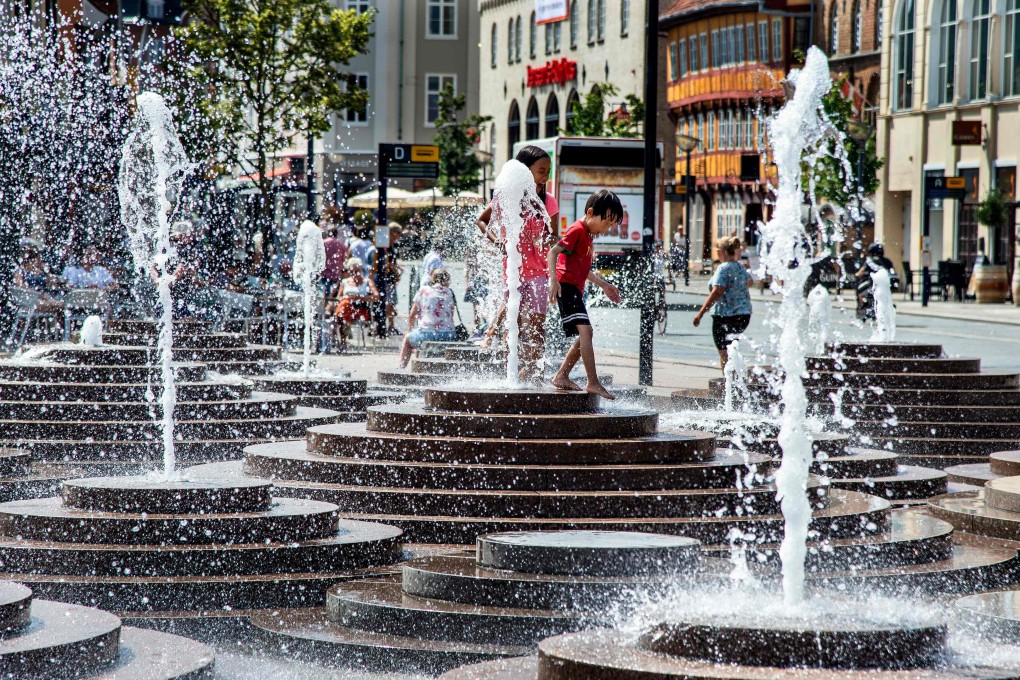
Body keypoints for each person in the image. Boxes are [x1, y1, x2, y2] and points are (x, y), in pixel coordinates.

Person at [475, 145, 559, 381]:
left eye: (548, 171)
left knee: (536, 325)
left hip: (539, 272)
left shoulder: (548, 201)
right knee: (513, 326)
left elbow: (555, 237)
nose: (546, 177)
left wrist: (544, 238)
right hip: (513, 273)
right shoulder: (506, 198)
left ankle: (534, 373)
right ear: (524, 170)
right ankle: (509, 375)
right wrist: (499, 243)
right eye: (541, 171)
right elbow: (481, 221)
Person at [547, 189, 622, 400]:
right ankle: (593, 382)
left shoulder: (587, 234)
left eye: (611, 224)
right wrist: (553, 281)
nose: (607, 228)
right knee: (586, 332)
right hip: (566, 287)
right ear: (590, 212)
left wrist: (604, 284)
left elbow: (582, 269)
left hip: (574, 288)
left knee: (585, 336)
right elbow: (552, 252)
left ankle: (562, 376)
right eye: (606, 222)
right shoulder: (577, 230)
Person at [693, 235, 753, 371]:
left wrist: (700, 313)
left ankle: (729, 385)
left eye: (718, 251)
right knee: (732, 349)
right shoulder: (740, 267)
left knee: (724, 353)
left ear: (724, 251)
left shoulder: (723, 268)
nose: (717, 254)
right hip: (743, 315)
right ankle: (736, 381)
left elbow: (717, 291)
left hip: (724, 316)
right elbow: (750, 282)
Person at [399, 268, 458, 368]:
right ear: (447, 280)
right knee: (420, 331)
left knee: (408, 340)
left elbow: (413, 313)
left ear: (433, 278)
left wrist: (409, 330)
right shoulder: (450, 292)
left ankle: (401, 368)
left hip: (427, 334)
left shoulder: (424, 290)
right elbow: (451, 316)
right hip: (448, 335)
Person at [330, 256, 379, 353]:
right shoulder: (345, 282)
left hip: (360, 310)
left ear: (361, 270)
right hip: (346, 309)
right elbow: (338, 298)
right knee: (344, 303)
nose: (355, 274)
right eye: (352, 271)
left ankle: (342, 342)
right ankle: (342, 338)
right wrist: (346, 298)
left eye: (357, 271)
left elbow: (376, 296)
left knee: (341, 311)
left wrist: (361, 298)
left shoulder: (367, 281)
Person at [14, 239, 64, 313]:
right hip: (29, 300)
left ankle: (53, 323)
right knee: (56, 305)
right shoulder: (20, 271)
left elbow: (52, 284)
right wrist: (37, 294)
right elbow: (21, 286)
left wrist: (46, 272)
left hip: (43, 298)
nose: (40, 259)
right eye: (38, 257)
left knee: (61, 304)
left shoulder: (40, 271)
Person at [321, 220, 347, 291]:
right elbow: (344, 259)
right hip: (336, 274)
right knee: (334, 297)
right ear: (337, 233)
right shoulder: (341, 244)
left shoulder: (323, 243)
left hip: (324, 273)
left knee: (324, 296)